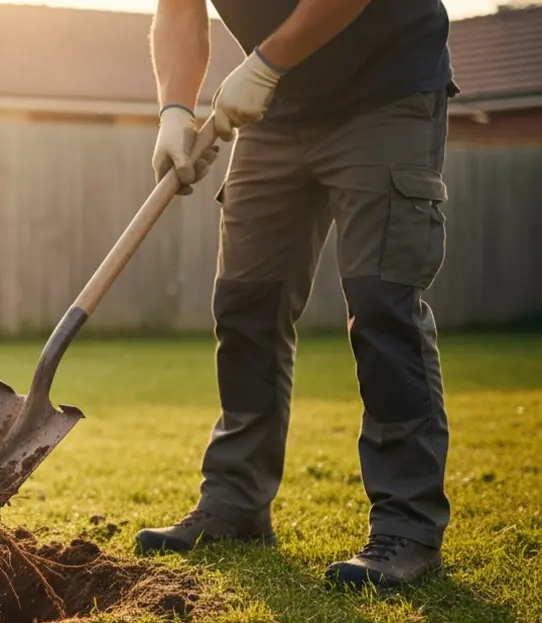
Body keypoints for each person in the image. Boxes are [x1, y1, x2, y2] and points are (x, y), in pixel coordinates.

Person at [134, 0, 457, 589]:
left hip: (385, 90)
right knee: (245, 305)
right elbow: (178, 9)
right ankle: (235, 502)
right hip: (276, 113)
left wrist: (264, 63)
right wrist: (174, 110)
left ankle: (407, 526)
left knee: (383, 307)